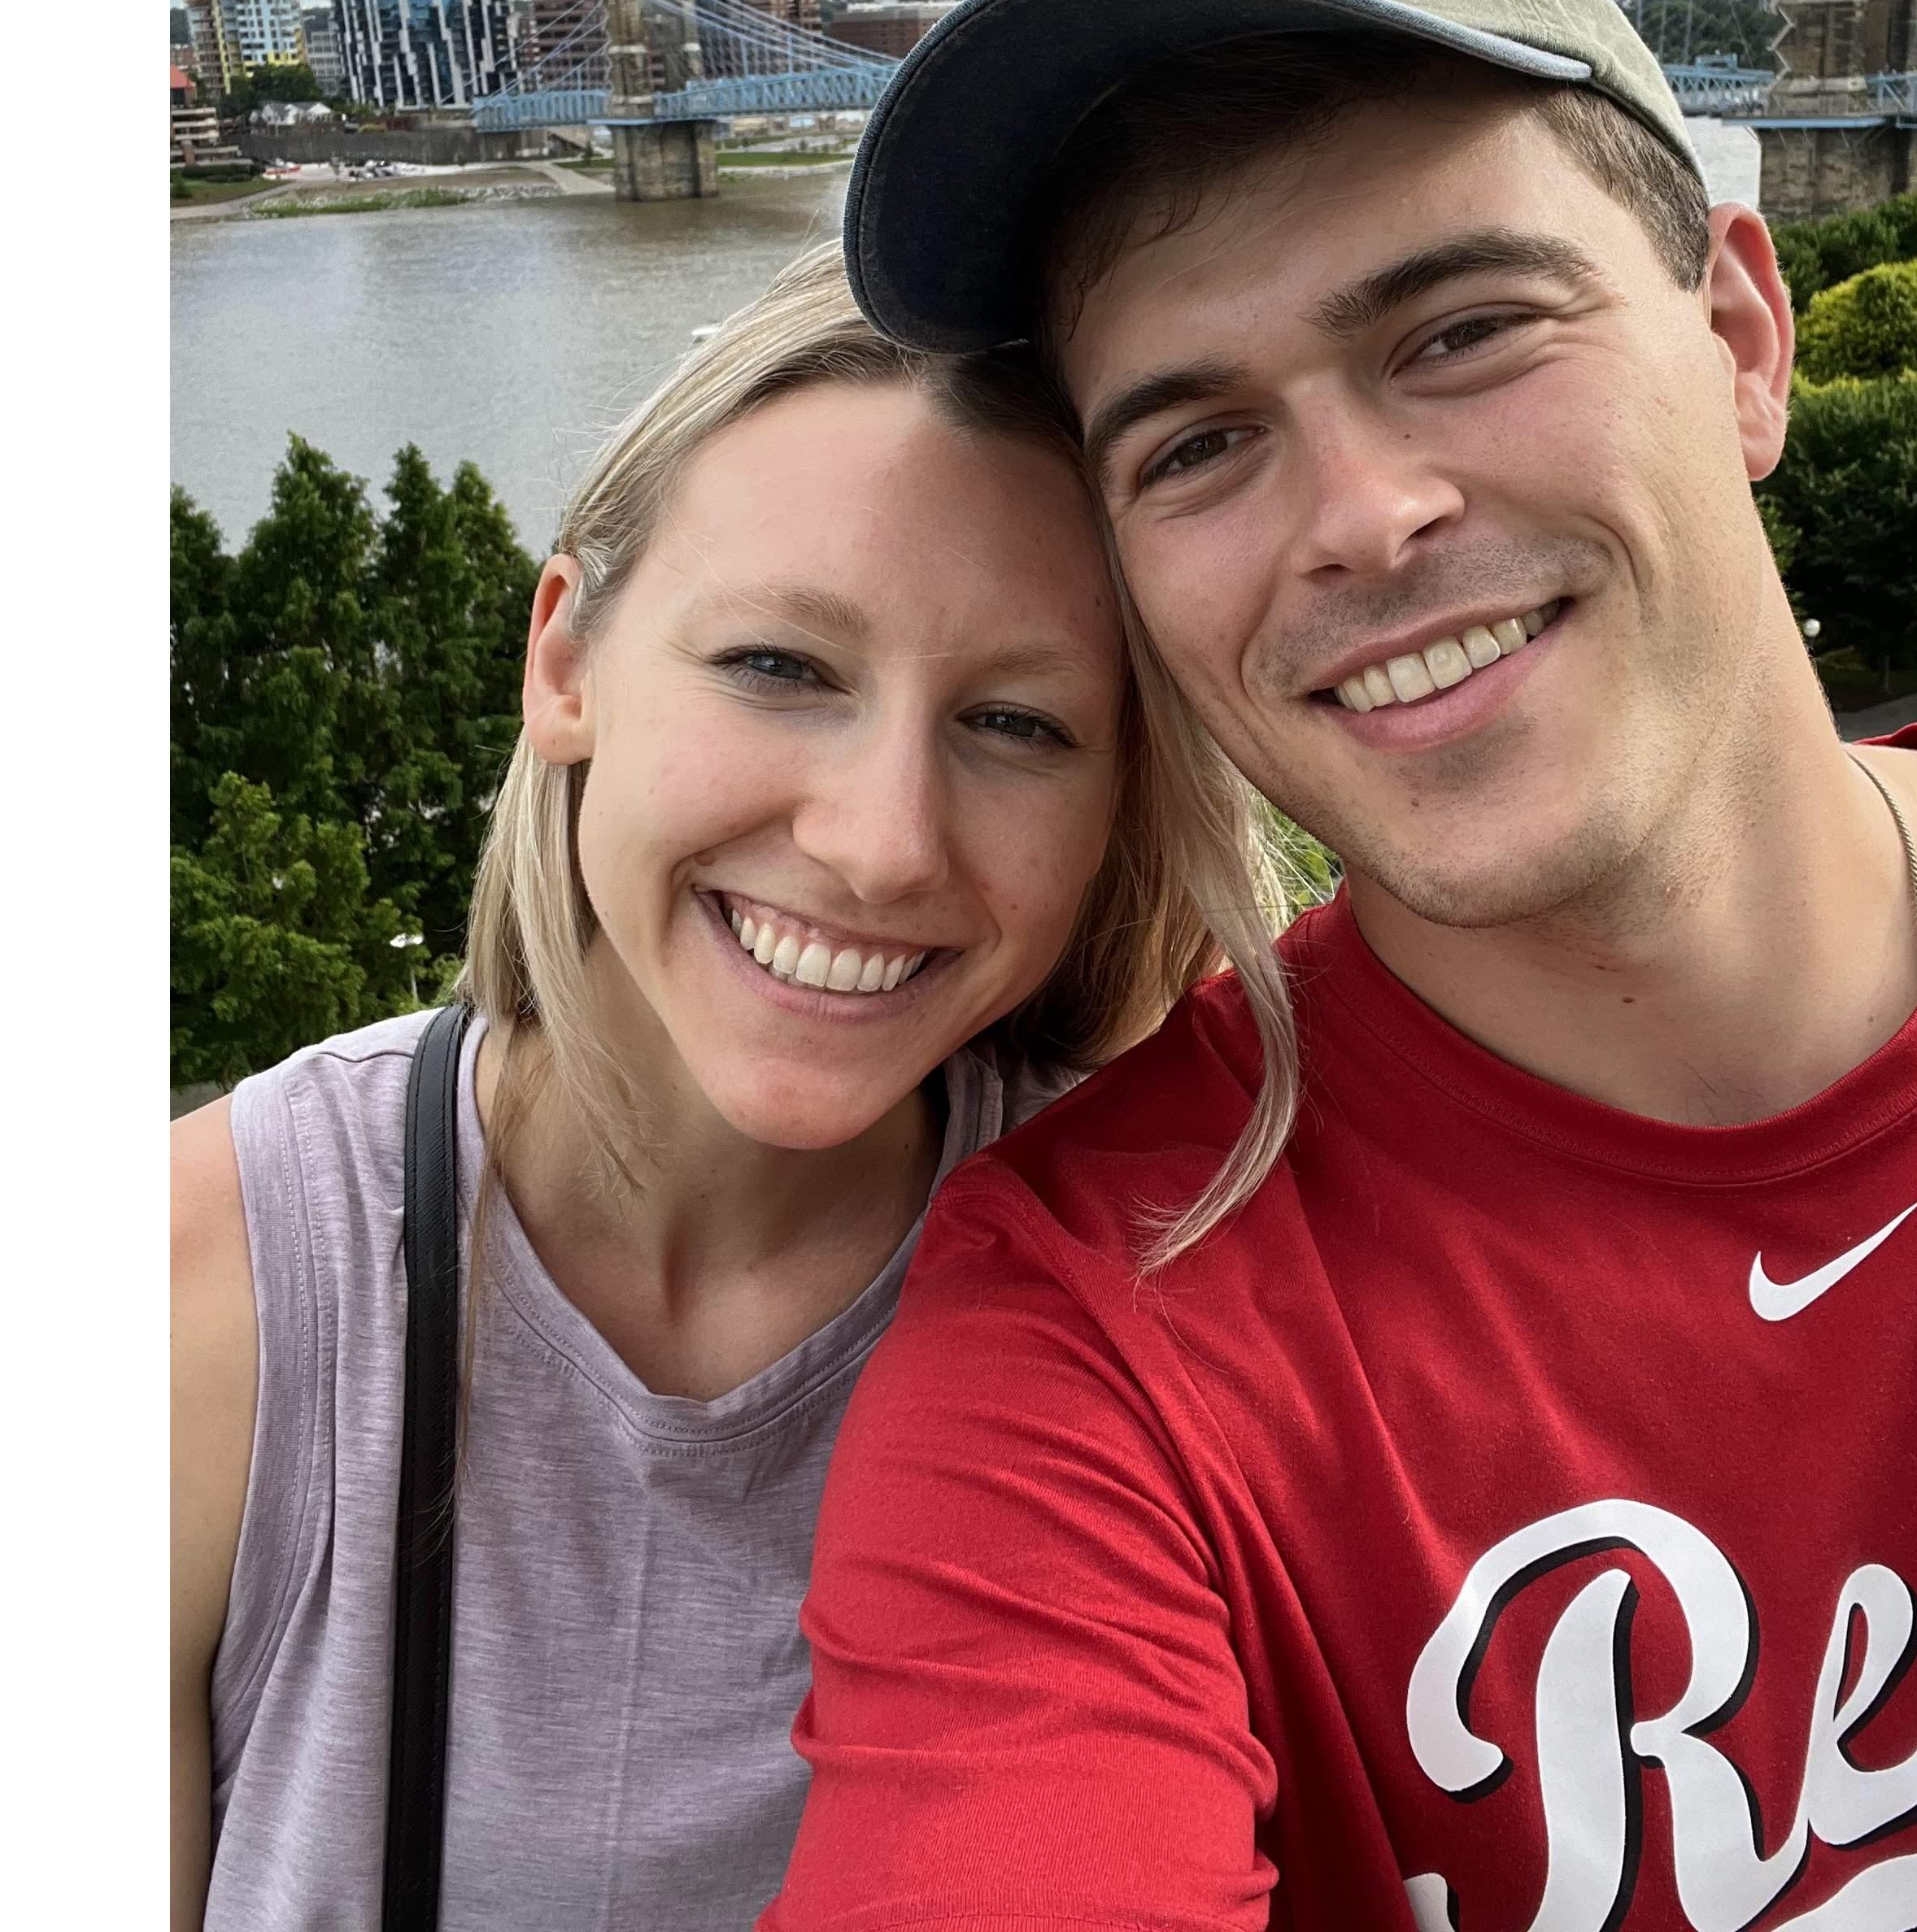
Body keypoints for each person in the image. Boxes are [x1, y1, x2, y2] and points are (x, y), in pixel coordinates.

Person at [769, 0, 1917, 1931]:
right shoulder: (1088, 1365)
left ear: (1743, 339)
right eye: (1193, 446)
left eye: (1461, 329)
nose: (1361, 518)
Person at [169, 244, 1287, 1930]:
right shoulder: (202, 1291)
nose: (880, 839)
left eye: (1016, 722)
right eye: (780, 666)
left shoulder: (1177, 1282)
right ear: (566, 665)